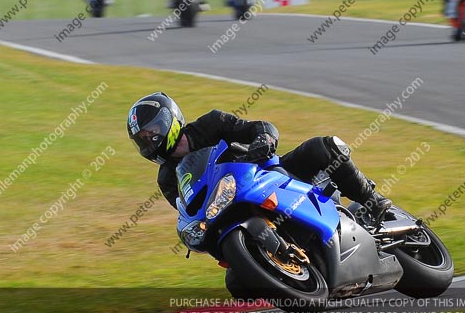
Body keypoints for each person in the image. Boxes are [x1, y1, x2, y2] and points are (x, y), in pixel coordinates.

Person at [127, 92, 392, 224]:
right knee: (239, 286)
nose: (149, 141)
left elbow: (258, 126)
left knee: (322, 147)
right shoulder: (166, 178)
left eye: (152, 132)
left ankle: (371, 199)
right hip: (230, 212)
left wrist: (263, 140)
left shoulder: (211, 123)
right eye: (142, 138)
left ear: (169, 121)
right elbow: (187, 212)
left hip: (270, 175)